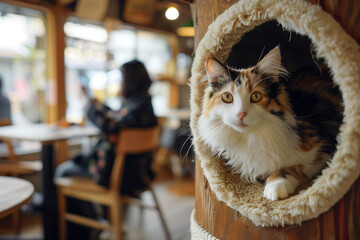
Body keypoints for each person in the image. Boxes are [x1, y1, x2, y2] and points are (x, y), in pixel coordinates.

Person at [55, 60, 158, 240]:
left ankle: (89, 227)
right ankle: (97, 221)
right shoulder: (143, 104)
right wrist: (92, 101)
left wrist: (88, 105)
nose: (120, 83)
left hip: (119, 178)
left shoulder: (136, 107)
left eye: (122, 79)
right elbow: (116, 118)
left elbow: (110, 124)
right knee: (71, 166)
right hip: (138, 174)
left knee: (62, 171)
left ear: (130, 80)